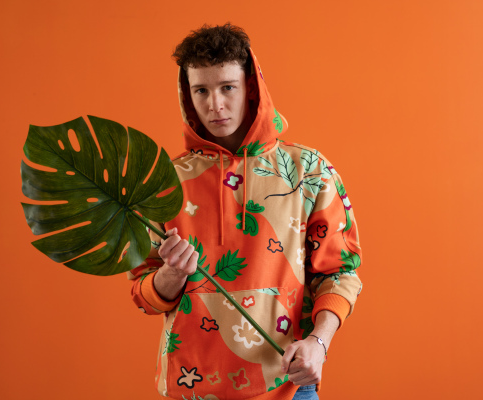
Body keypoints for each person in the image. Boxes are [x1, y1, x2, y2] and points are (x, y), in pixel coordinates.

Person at [127, 23, 362, 400]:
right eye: (201, 90)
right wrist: (171, 276)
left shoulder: (308, 171)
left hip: (288, 386)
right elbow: (143, 291)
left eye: (227, 88)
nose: (215, 105)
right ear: (187, 95)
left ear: (251, 88)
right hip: (192, 387)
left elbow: (340, 271)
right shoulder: (164, 182)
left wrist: (319, 342)